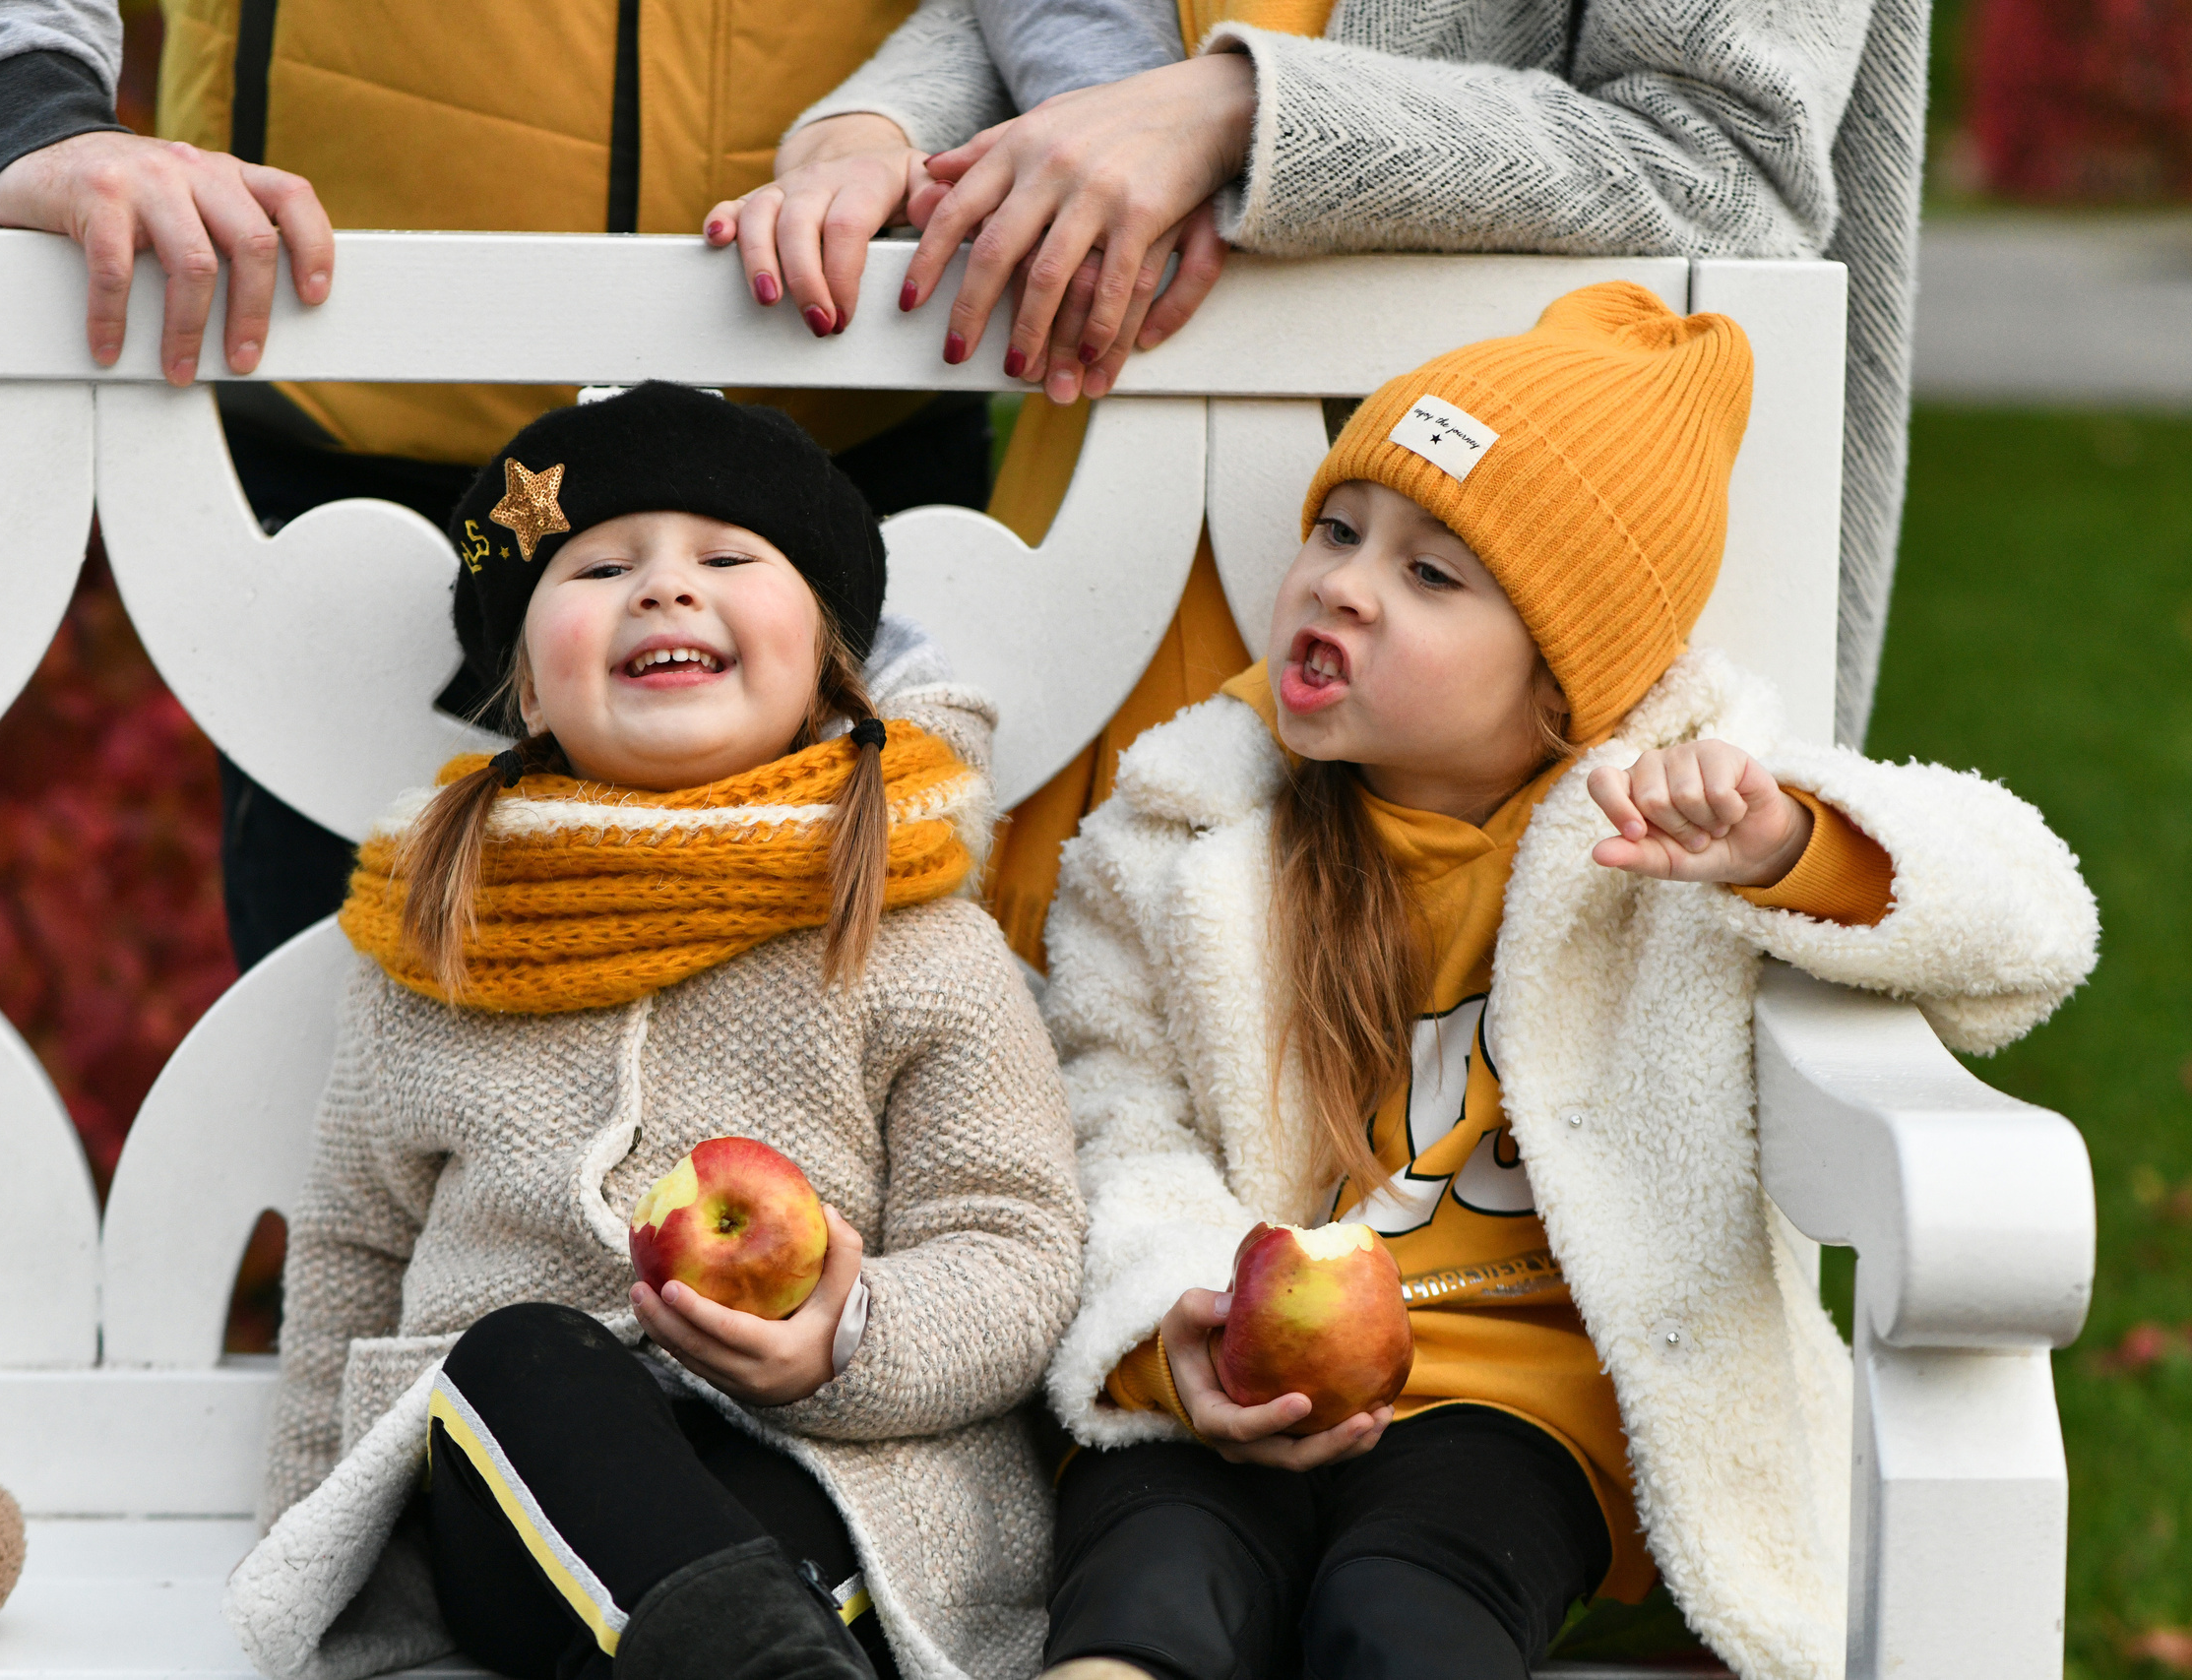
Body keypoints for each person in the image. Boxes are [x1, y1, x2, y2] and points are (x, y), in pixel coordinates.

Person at [1028, 285, 2096, 1680]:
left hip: (1519, 1405)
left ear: (1560, 681)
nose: (1344, 581)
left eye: (1432, 574)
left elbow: (2033, 920)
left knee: (1405, 1611)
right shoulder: (1178, 838)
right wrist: (1169, 1333)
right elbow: (1119, 1115)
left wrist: (1791, 841)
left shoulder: (1665, 831)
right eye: (1338, 531)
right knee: (1152, 1591)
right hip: (1233, 1370)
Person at [714, 0, 1927, 964]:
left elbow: (1721, 162)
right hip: (1086, 542)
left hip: (1485, 676)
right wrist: (882, 128)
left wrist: (1243, 110)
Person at [218, 383, 1084, 1680]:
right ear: (524, 670)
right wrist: (315, 1563)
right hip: (526, 1513)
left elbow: (1017, 1240)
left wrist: (842, 1338)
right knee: (519, 1357)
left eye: (730, 556)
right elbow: (353, 1246)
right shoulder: (439, 935)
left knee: (758, 1567)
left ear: (832, 651)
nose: (666, 589)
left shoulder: (913, 928)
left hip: (831, 1500)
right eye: (603, 562)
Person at [0, 0, 996, 968]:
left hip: (854, 438)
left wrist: (901, 119)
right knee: (347, 1087)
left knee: (883, 1062)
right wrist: (27, 103)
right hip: (353, 450)